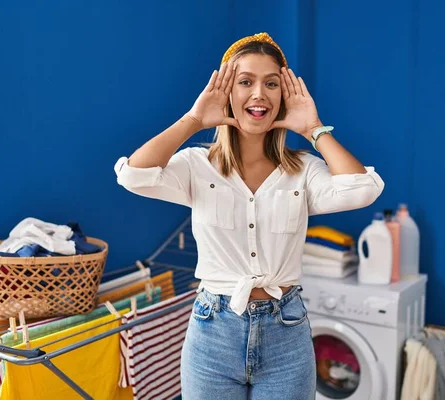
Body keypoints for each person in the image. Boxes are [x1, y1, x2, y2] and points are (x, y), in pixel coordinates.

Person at [114, 32, 384, 400]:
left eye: (271, 84)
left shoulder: (303, 170)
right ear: (228, 92)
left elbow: (362, 189)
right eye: (245, 82)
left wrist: (313, 129)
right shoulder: (196, 166)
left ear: (283, 97)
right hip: (212, 335)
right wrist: (194, 119)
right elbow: (133, 175)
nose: (259, 94)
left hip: (286, 335)